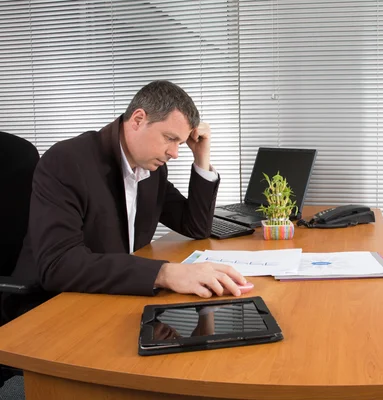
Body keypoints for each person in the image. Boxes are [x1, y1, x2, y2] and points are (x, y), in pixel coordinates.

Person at [2, 80, 246, 322]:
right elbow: (59, 265)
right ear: (138, 119)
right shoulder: (67, 162)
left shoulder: (151, 169)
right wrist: (164, 273)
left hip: (112, 298)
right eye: (169, 138)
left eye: (180, 143)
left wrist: (201, 157)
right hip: (50, 307)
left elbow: (196, 226)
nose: (174, 153)